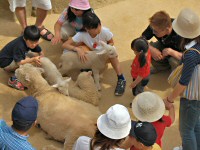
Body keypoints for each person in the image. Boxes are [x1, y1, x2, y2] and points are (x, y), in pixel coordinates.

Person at [62, 11, 126, 96]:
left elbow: (111, 42)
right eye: (95, 28)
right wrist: (76, 49)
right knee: (81, 49)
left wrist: (106, 48)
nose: (99, 28)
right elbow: (65, 45)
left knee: (113, 55)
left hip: (103, 55)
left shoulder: (104, 31)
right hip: (93, 56)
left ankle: (121, 78)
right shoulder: (82, 34)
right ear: (87, 29)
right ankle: (87, 69)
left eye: (99, 25)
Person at [164, 8, 200, 150]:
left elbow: (183, 82)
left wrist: (170, 99)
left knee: (186, 131)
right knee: (195, 124)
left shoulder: (191, 54)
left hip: (192, 98)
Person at [0, 25, 44, 90]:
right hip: (5, 62)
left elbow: (37, 48)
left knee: (30, 55)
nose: (34, 44)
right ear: (25, 39)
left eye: (36, 41)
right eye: (32, 42)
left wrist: (41, 54)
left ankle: (13, 69)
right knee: (26, 65)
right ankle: (13, 80)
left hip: (11, 56)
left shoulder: (29, 40)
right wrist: (32, 59)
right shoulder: (19, 46)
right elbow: (19, 62)